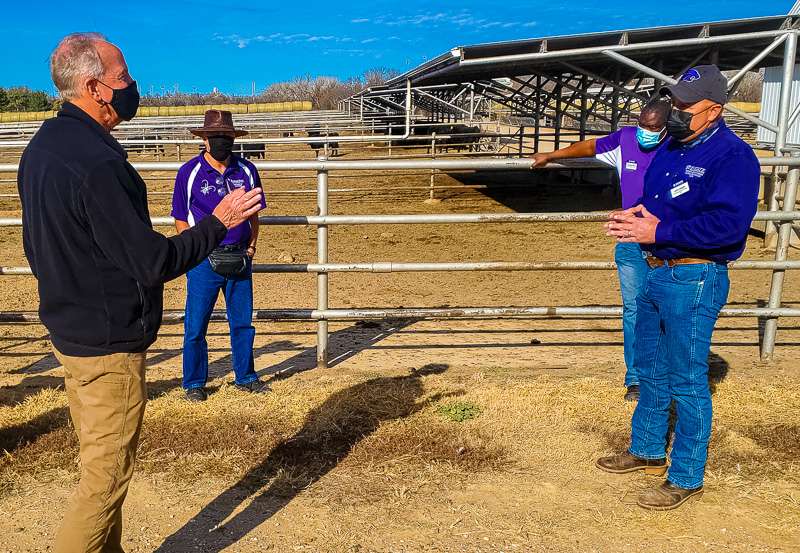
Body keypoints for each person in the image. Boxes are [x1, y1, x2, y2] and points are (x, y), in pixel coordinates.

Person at [18, 33, 264, 552]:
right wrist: (216, 224)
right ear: (94, 87)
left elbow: (36, 243)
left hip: (70, 329)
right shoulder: (100, 165)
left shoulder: (43, 148)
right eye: (124, 78)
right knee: (103, 483)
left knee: (98, 465)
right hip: (107, 344)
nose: (133, 86)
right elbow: (153, 261)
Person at [596, 65, 760, 510]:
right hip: (656, 268)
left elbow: (728, 226)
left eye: (686, 105)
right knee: (649, 365)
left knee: (687, 378)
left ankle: (686, 475)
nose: (675, 111)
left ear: (713, 110)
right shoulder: (670, 146)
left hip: (695, 273)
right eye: (674, 101)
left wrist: (660, 230)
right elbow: (655, 202)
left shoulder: (734, 157)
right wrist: (637, 218)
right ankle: (647, 447)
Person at [533, 98, 671, 401]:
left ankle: (665, 372)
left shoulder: (675, 147)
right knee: (635, 308)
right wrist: (551, 155)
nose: (646, 132)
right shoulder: (625, 140)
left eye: (653, 128)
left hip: (669, 240)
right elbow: (589, 147)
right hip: (630, 239)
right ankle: (635, 377)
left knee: (669, 308)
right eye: (643, 126)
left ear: (665, 129)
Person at [171, 110, 268, 402]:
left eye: (226, 137)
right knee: (196, 324)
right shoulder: (189, 173)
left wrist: (251, 246)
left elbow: (254, 215)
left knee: (242, 321)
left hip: (239, 257)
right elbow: (180, 217)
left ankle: (246, 376)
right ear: (204, 139)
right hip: (203, 260)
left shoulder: (247, 171)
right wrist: (192, 252)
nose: (221, 142)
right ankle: (194, 383)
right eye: (216, 137)